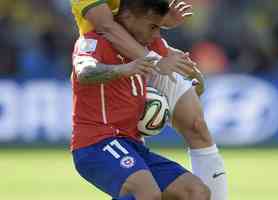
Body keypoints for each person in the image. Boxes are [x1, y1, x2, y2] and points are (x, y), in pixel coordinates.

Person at [71, 0, 228, 199]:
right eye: (153, 27)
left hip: (132, 144)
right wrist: (124, 69)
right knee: (146, 193)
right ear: (128, 17)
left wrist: (194, 77)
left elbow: (174, 61)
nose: (157, 34)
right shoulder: (93, 41)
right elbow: (84, 72)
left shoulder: (147, 42)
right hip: (97, 143)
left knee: (196, 192)